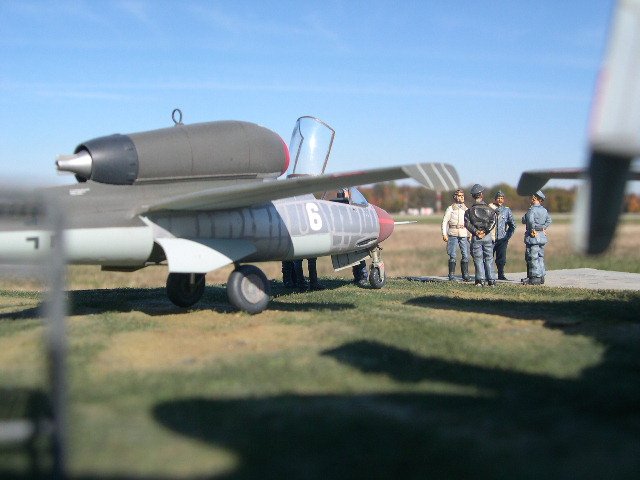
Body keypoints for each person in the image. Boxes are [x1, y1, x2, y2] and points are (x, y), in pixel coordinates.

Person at [464, 184, 497, 286]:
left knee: (478, 258)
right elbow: (493, 221)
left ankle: (480, 280)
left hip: (476, 237)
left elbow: (467, 224)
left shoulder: (469, 211)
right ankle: (491, 280)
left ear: (473, 196)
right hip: (487, 237)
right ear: (482, 195)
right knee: (489, 258)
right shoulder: (490, 210)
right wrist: (486, 231)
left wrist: (476, 232)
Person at [521, 190, 552, 285]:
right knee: (540, 256)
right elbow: (549, 220)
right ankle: (541, 275)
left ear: (534, 198)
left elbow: (529, 221)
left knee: (532, 256)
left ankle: (535, 277)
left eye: (531, 197)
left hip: (533, 236)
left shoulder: (532, 210)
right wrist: (543, 228)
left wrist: (532, 230)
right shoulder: (544, 210)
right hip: (541, 235)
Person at [441, 188, 471, 281]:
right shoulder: (450, 208)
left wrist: (470, 234)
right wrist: (444, 234)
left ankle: (465, 275)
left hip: (463, 233)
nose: (461, 197)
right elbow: (445, 221)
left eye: (462, 196)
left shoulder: (466, 209)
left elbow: (469, 223)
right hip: (453, 233)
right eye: (459, 196)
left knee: (465, 254)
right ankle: (451, 275)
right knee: (452, 255)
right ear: (455, 197)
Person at [489, 191, 516, 280]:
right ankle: (489, 275)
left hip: (502, 238)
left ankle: (501, 274)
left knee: (501, 259)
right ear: (495, 199)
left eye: (501, 198)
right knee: (488, 257)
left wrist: (507, 236)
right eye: (498, 198)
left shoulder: (507, 210)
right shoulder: (490, 209)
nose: (500, 200)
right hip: (491, 238)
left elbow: (512, 225)